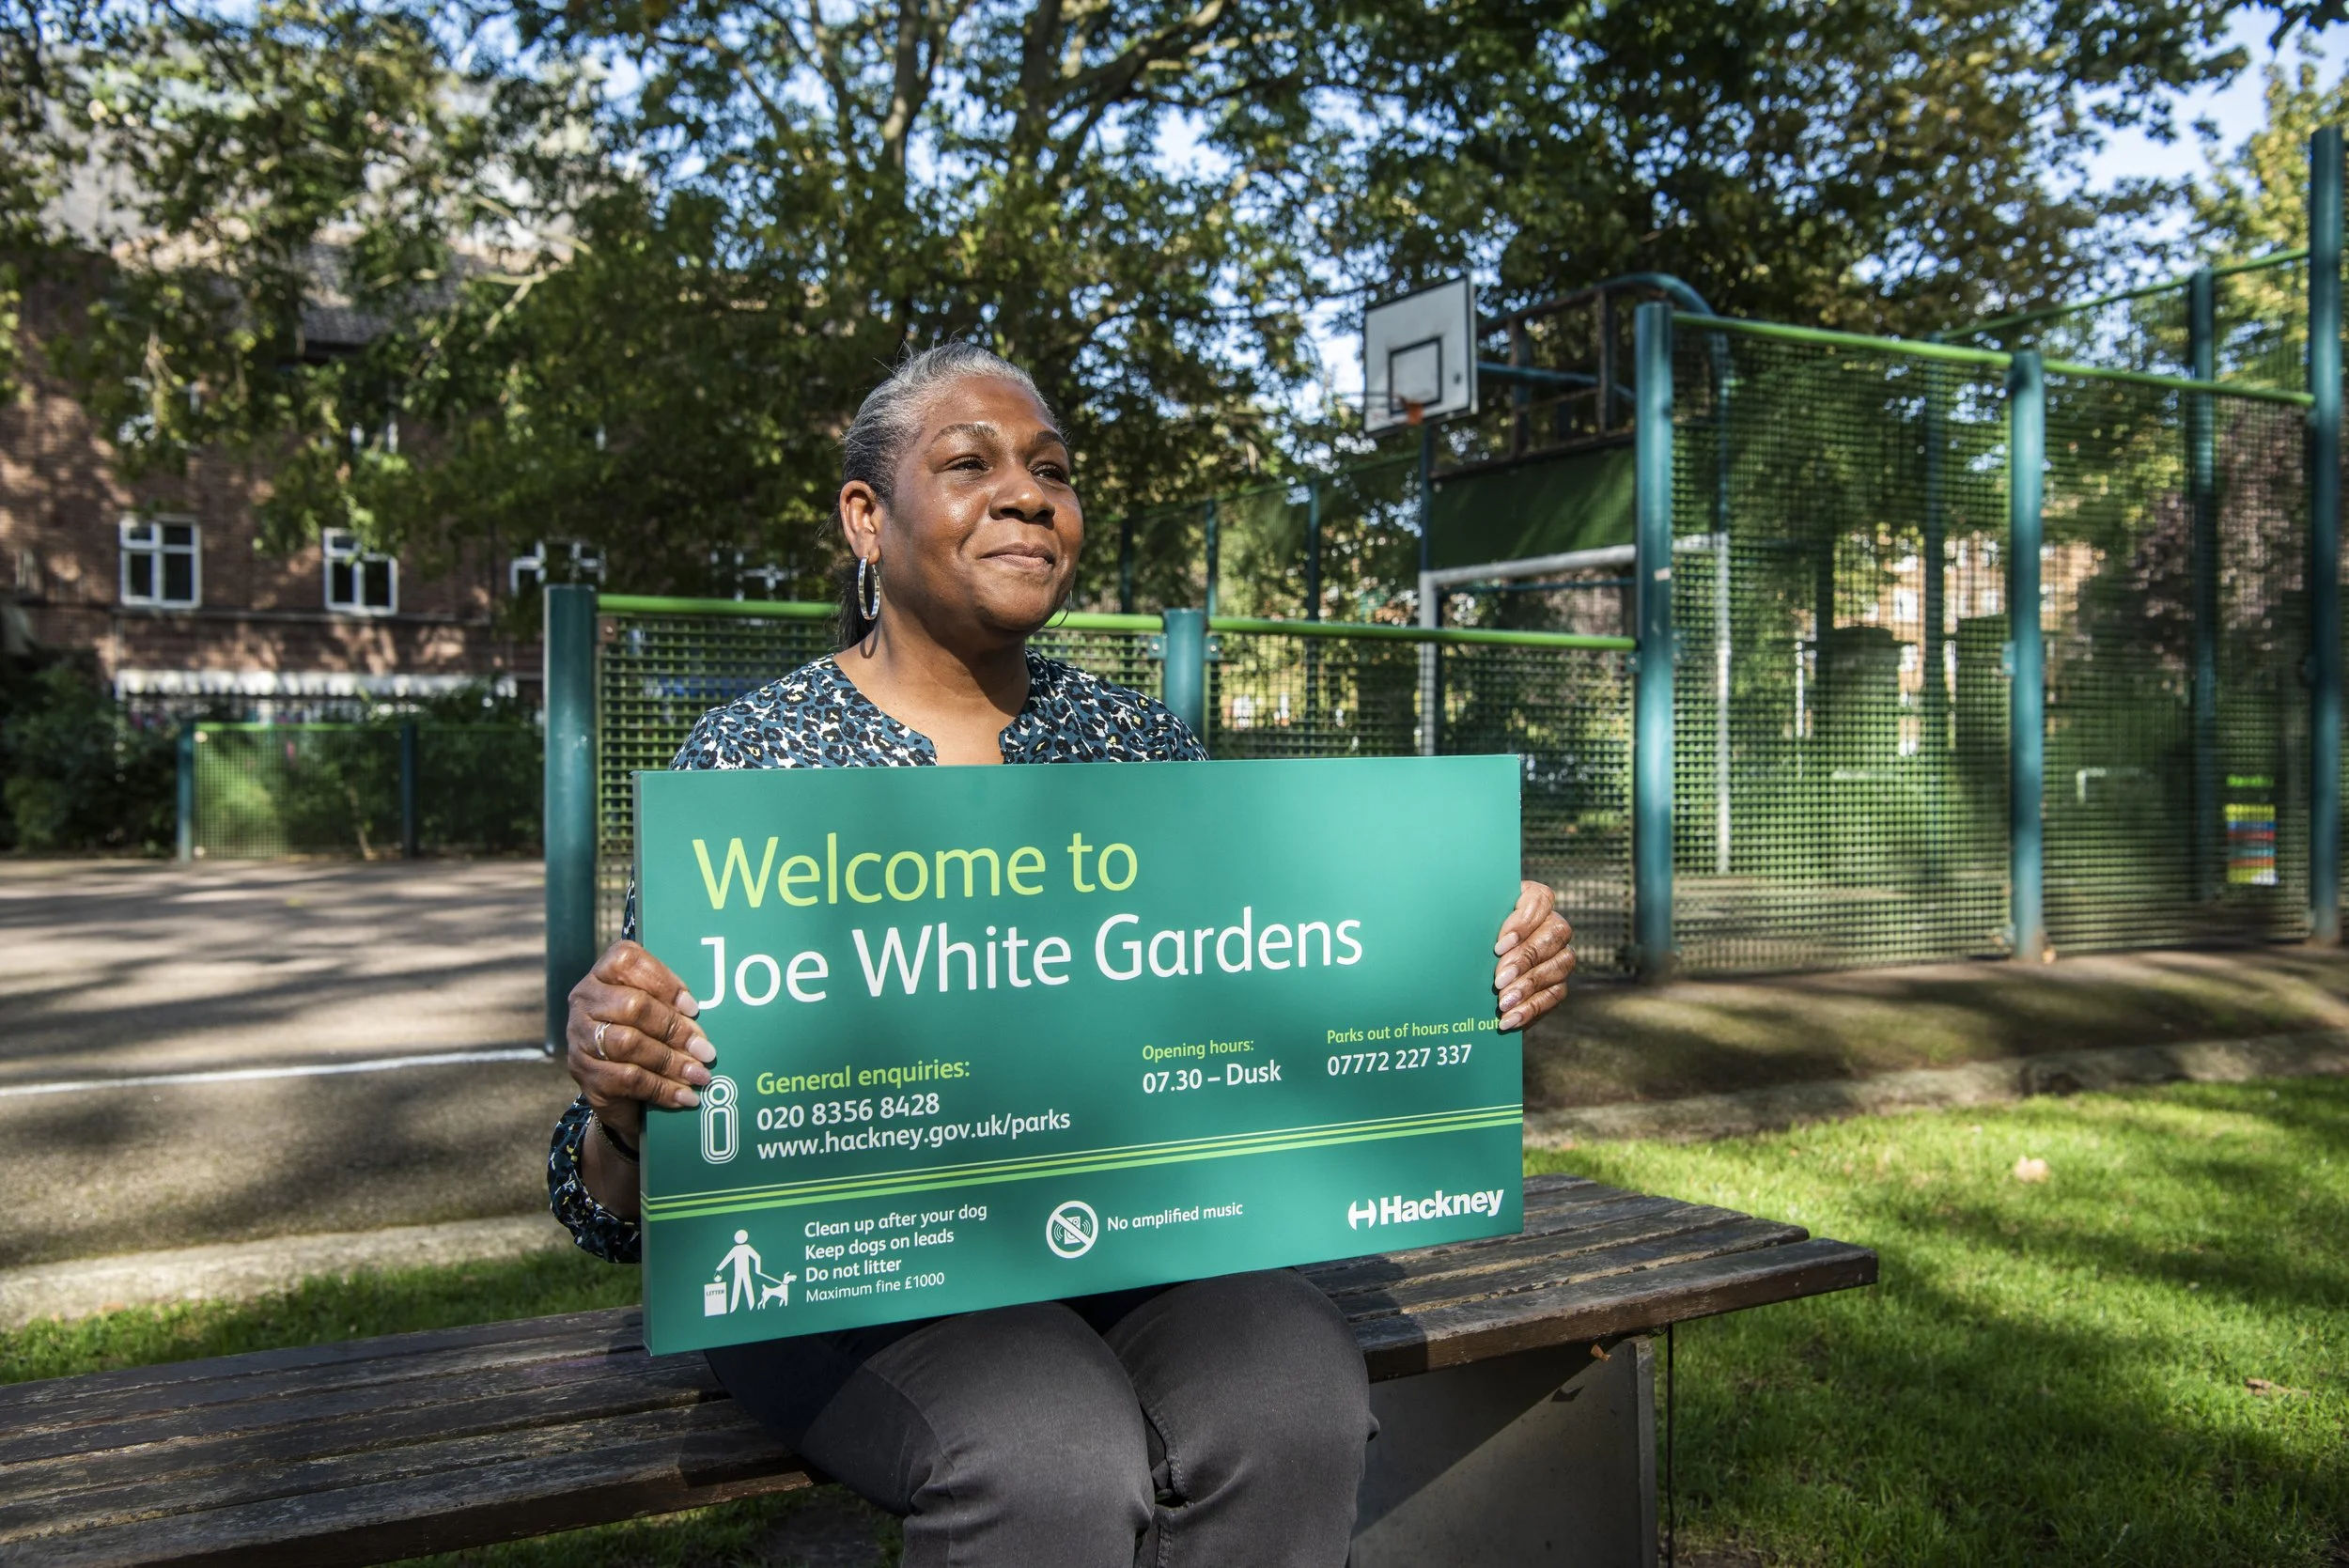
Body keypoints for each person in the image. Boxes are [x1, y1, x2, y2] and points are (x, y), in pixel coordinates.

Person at [546, 342, 1579, 1568]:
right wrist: (619, 1106)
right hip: (854, 1275)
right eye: (971, 462)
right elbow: (606, 1205)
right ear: (866, 519)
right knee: (1047, 1452)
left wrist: (1474, 957)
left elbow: (1279, 980)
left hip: (1140, 1241)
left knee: (1297, 1390)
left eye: (1053, 468)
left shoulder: (1137, 747)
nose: (1031, 493)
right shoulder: (757, 765)